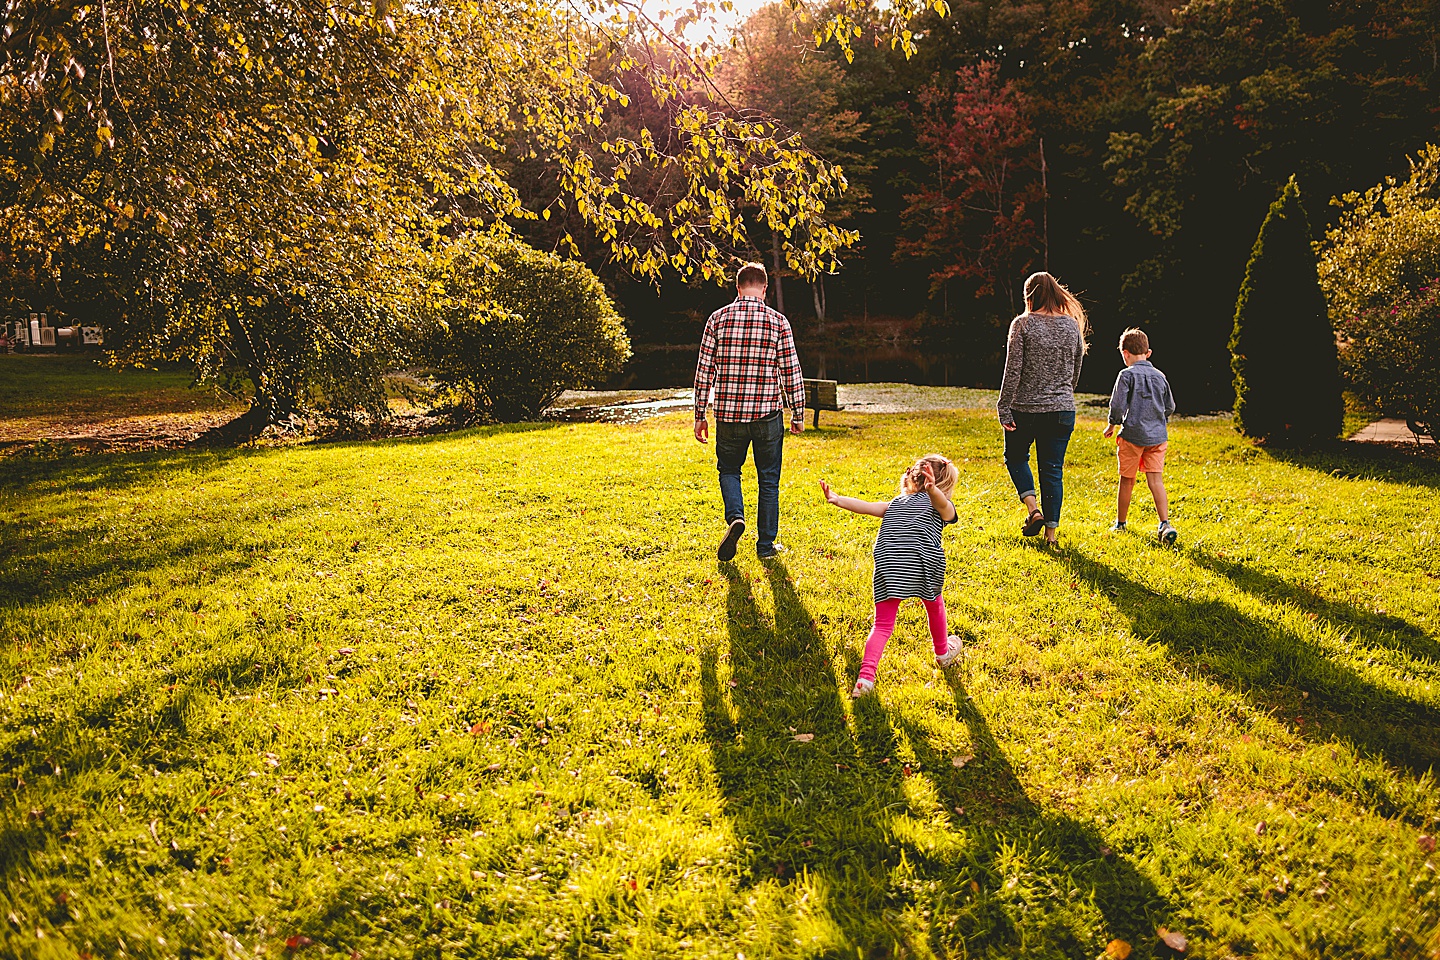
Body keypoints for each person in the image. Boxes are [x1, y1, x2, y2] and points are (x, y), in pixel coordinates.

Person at [819, 455, 963, 698]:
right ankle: (942, 653)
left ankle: (865, 679)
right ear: (945, 485)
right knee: (934, 604)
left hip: (888, 563)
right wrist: (934, 490)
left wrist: (837, 499)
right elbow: (944, 507)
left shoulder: (896, 503)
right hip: (923, 563)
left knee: (882, 625)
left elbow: (867, 506)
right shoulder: (941, 505)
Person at [694, 262, 805, 561]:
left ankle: (735, 519)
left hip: (729, 415)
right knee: (768, 479)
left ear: (737, 287)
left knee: (729, 469)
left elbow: (704, 372)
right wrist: (798, 413)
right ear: (765, 288)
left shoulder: (717, 319)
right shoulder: (778, 322)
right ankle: (766, 547)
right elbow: (791, 372)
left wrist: (699, 415)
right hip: (767, 414)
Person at [996, 271, 1089, 548]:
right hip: (1062, 410)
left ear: (1029, 295)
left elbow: (1013, 370)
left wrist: (1004, 407)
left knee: (1015, 457)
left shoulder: (1022, 324)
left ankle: (1033, 510)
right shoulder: (1071, 326)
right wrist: (1062, 394)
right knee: (1052, 471)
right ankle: (1051, 536)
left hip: (1025, 409)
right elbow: (1076, 371)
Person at [1104, 327, 1179, 544]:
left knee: (1127, 480)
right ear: (1148, 353)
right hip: (1158, 437)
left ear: (1125, 353)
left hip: (1132, 436)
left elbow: (1117, 406)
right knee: (1156, 480)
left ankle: (1120, 523)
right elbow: (1170, 406)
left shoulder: (1125, 375)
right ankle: (1165, 523)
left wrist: (1112, 424)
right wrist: (1158, 420)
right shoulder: (1161, 376)